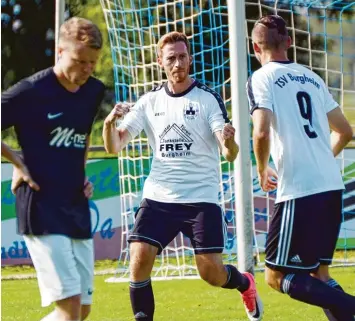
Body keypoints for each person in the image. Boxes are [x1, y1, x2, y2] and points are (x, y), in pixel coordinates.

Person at [103, 31, 263, 321]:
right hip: (158, 198)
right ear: (160, 62)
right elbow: (115, 145)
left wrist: (228, 140)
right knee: (138, 260)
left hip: (200, 199)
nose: (177, 63)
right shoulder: (150, 101)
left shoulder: (207, 99)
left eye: (182, 57)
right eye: (171, 58)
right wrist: (108, 123)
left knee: (211, 273)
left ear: (190, 59)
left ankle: (244, 283)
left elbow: (229, 153)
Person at [248, 14, 355, 320]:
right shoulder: (312, 77)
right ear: (289, 42)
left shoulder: (262, 77)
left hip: (299, 189)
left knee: (276, 276)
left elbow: (262, 131)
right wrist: (321, 157)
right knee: (320, 275)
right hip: (332, 186)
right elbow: (345, 131)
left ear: (255, 47)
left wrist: (261, 168)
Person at [1, 17, 105, 321]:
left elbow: (83, 136)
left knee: (82, 309)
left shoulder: (93, 91)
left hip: (75, 203)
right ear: (60, 51)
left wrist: (81, 172)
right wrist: (18, 161)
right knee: (69, 306)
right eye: (80, 60)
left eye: (93, 62)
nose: (87, 69)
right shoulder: (31, 90)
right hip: (40, 205)